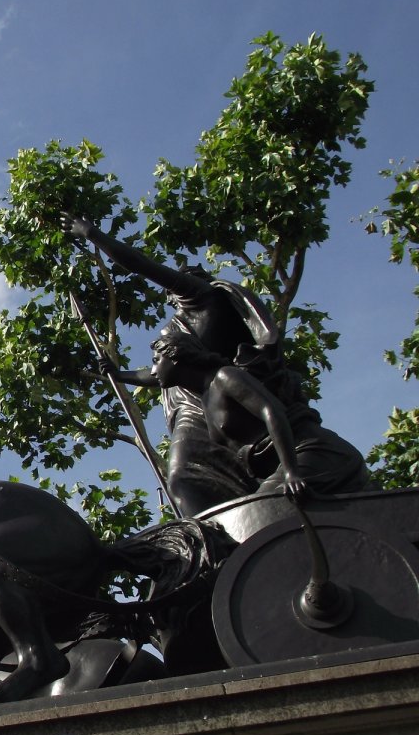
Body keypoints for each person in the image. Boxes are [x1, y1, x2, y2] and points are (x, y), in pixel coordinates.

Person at [61, 213, 285, 514]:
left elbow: (142, 265)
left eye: (190, 274)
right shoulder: (176, 327)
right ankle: (215, 541)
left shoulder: (205, 297)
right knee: (182, 480)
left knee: (189, 478)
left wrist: (91, 234)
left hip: (228, 395)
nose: (183, 279)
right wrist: (119, 374)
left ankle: (226, 535)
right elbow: (162, 374)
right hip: (192, 410)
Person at [149, 330, 372, 499]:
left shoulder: (226, 377)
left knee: (265, 508)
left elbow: (271, 411)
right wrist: (117, 373)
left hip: (311, 453)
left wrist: (291, 472)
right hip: (275, 469)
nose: (152, 371)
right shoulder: (204, 398)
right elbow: (148, 378)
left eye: (156, 361)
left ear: (175, 356)